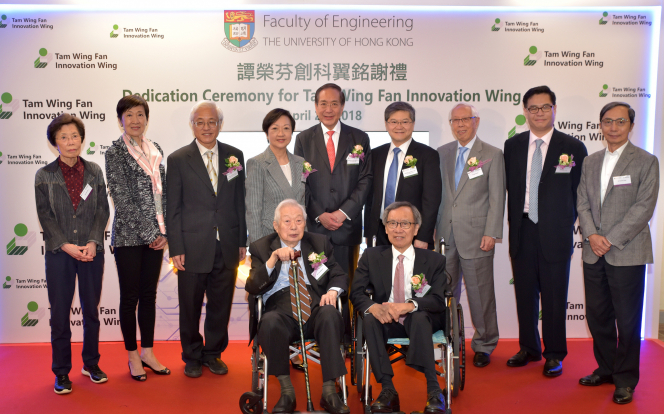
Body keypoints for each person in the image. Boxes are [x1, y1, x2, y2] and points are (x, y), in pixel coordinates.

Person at [576, 102, 659, 404]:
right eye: (608, 121)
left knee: (626, 320)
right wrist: (592, 236)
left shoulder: (646, 161)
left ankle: (625, 379)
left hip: (626, 250)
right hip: (592, 251)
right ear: (600, 125)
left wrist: (608, 239)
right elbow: (582, 202)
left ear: (630, 126)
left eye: (620, 121)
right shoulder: (590, 161)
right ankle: (607, 368)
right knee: (598, 316)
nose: (613, 127)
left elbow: (643, 209)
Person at [503, 85, 588, 377]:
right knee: (525, 293)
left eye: (545, 107)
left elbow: (581, 193)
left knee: (554, 295)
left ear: (554, 109)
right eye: (533, 108)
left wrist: (563, 220)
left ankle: (554, 353)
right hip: (522, 228)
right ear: (525, 112)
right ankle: (529, 347)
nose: (539, 112)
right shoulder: (512, 146)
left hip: (555, 232)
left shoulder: (573, 147)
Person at [245, 199, 350, 414]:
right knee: (270, 322)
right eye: (287, 221)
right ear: (276, 226)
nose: (293, 226)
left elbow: (338, 274)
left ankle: (330, 391)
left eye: (299, 221)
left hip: (314, 304)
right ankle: (287, 392)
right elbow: (253, 286)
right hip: (280, 308)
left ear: (305, 224)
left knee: (330, 314)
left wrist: (332, 291)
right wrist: (273, 259)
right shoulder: (261, 247)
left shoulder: (319, 243)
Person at [166, 101, 247, 378]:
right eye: (200, 122)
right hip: (191, 246)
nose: (206, 127)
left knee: (220, 304)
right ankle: (191, 355)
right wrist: (175, 246)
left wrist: (241, 242)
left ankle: (213, 353)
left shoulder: (234, 156)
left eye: (211, 122)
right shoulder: (178, 159)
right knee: (189, 304)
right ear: (192, 125)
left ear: (220, 125)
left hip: (226, 244)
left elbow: (239, 202)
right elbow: (172, 208)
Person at [36, 114, 110, 394]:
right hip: (59, 253)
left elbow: (102, 209)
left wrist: (93, 241)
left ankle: (91, 363)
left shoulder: (94, 171)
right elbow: (45, 216)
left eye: (75, 136)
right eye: (64, 137)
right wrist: (65, 245)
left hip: (92, 251)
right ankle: (61, 372)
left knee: (91, 311)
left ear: (82, 138)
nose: (70, 142)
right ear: (54, 142)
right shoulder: (44, 175)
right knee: (60, 316)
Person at [351, 201, 448, 413]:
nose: (398, 229)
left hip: (421, 319)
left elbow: (439, 301)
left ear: (416, 229)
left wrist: (409, 306)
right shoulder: (371, 256)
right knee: (368, 318)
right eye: (392, 223)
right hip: (387, 319)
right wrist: (373, 307)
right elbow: (356, 293)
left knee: (420, 317)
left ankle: (433, 391)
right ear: (385, 228)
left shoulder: (434, 260)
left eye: (405, 223)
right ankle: (388, 390)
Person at [294, 82, 372, 347]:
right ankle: (318, 337)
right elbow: (300, 180)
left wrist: (342, 213)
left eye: (334, 103)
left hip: (346, 228)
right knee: (316, 284)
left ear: (342, 106)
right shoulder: (303, 139)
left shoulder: (359, 138)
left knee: (346, 285)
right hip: (316, 230)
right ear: (315, 107)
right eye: (323, 104)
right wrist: (318, 214)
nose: (329, 109)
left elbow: (365, 180)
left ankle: (346, 341)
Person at [106, 95, 170, 381]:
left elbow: (164, 194)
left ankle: (148, 351)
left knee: (149, 296)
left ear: (147, 118)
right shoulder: (114, 152)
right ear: (121, 119)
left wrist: (164, 232)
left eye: (140, 114)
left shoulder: (156, 149)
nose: (135, 120)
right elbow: (121, 198)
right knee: (130, 297)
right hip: (130, 237)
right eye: (129, 115)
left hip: (158, 236)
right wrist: (150, 233)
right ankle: (132, 355)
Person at [436, 103, 505, 368]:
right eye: (455, 120)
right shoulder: (442, 153)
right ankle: (448, 339)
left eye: (466, 119)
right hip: (444, 235)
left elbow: (498, 197)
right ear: (450, 124)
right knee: (444, 293)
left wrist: (492, 232)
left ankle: (484, 343)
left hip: (478, 236)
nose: (461, 124)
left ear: (476, 121)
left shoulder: (491, 154)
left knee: (480, 293)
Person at [365, 102, 441, 248]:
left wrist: (423, 236)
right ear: (386, 124)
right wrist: (369, 233)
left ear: (412, 124)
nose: (399, 126)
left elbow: (431, 200)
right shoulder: (375, 154)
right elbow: (370, 198)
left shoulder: (428, 155)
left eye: (405, 122)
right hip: (379, 231)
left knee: (411, 272)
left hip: (411, 232)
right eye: (393, 122)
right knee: (379, 271)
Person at [246, 108, 305, 244]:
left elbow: (303, 203)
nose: (281, 134)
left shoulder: (300, 162)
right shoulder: (257, 163)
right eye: (274, 129)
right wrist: (257, 246)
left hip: (298, 238)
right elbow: (253, 210)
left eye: (286, 128)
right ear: (266, 134)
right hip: (269, 238)